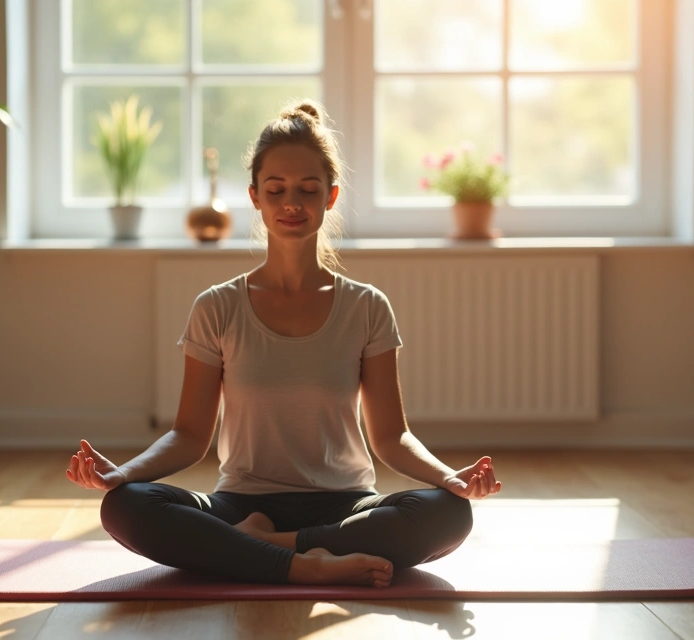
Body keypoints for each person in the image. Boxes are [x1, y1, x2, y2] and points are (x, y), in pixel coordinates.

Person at [66, 100, 502, 588]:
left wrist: (450, 479)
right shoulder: (217, 307)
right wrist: (122, 473)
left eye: (307, 189)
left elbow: (390, 437)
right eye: (276, 189)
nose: (291, 202)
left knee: (448, 514)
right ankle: (308, 564)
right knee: (127, 506)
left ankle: (265, 550)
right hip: (241, 503)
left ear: (330, 197)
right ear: (255, 196)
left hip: (344, 503)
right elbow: (189, 435)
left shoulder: (366, 307)